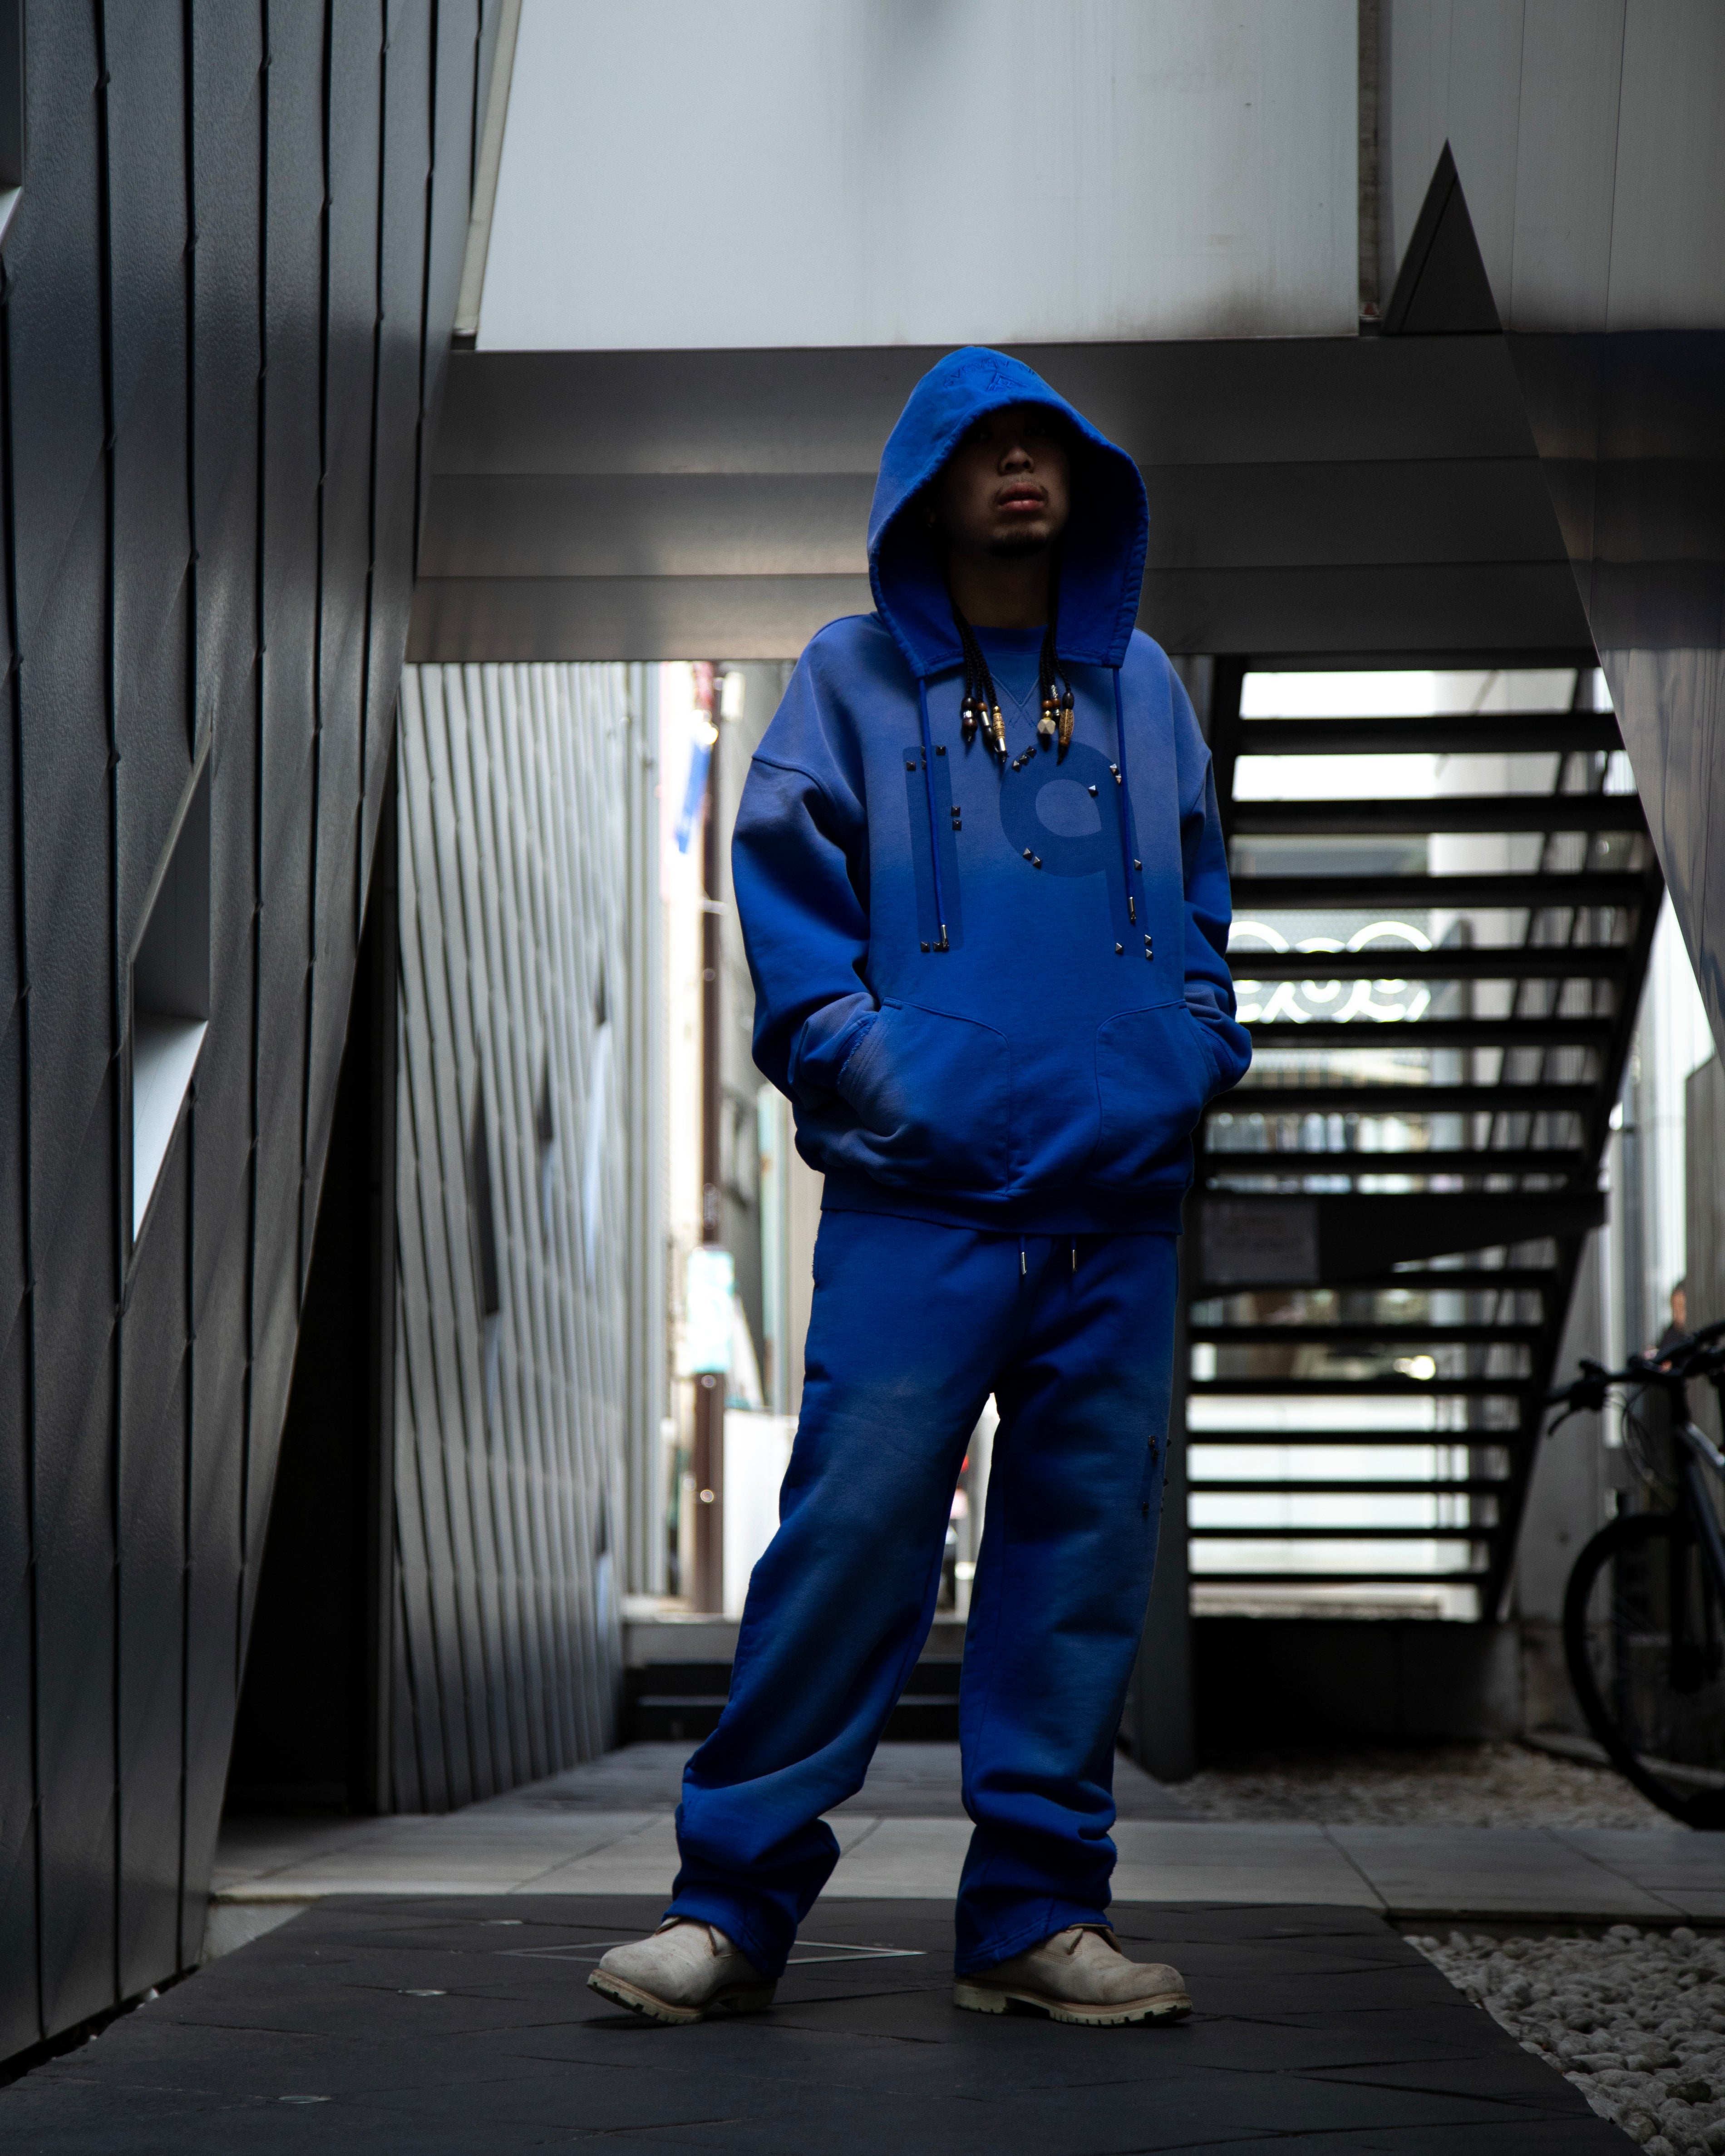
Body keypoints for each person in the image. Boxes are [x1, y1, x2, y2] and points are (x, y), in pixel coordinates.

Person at [590, 348, 1249, 2028]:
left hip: (1113, 1208)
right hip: (919, 1201)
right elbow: (789, 900)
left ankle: (1035, 1917)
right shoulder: (848, 678)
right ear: (928, 488)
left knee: (1079, 1566)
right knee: (850, 1542)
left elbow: (1200, 903)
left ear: (1083, 484)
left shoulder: (1144, 687)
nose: (1021, 469)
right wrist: (868, 1066)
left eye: (1047, 446)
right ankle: (729, 1909)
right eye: (985, 448)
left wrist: (1190, 1050)